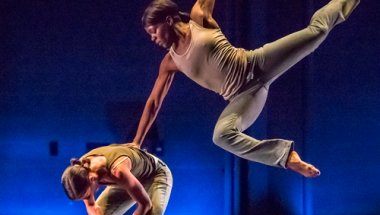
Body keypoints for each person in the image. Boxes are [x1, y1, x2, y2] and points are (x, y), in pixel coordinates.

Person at [134, 0, 360, 177]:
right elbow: (153, 103)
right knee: (221, 135)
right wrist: (136, 142)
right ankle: (285, 156)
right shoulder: (170, 62)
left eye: (154, 31)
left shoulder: (198, 17)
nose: (153, 38)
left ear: (170, 19)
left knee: (316, 33)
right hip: (244, 97)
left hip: (257, 63)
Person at [61, 143, 172, 215]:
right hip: (126, 182)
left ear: (91, 179)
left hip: (153, 175)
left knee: (151, 213)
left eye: (88, 195)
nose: (90, 198)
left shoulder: (118, 171)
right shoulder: (81, 169)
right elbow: (91, 206)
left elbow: (145, 204)